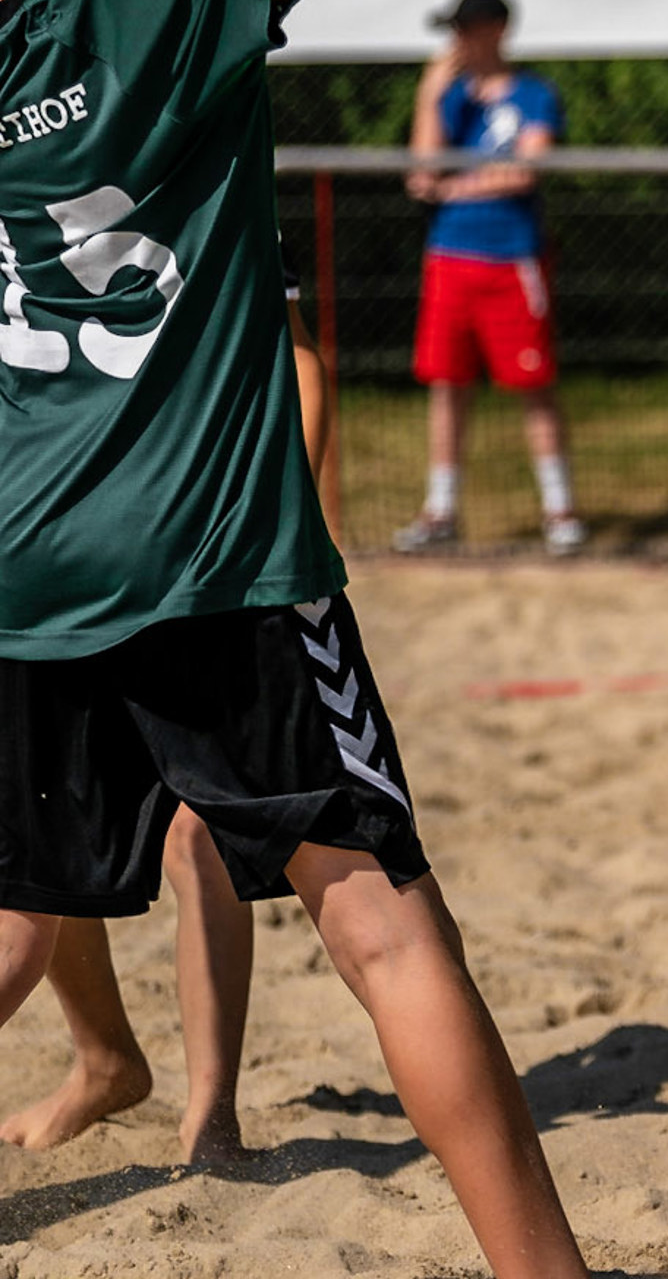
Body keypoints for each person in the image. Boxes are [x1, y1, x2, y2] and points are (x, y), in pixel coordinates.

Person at [0, 0, 588, 1277]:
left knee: (21, 911)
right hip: (200, 548)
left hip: (28, 553)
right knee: (382, 923)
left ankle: (155, 1087)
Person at [0, 242, 319, 1164]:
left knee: (199, 836)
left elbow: (296, 356)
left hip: (198, 557)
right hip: (55, 560)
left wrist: (285, 531)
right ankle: (107, 1061)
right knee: (48, 837)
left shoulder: (196, 180)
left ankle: (210, 1117)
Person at [394, 0, 581, 557]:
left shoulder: (533, 93)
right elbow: (422, 173)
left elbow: (525, 169)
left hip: (511, 256)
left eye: (465, 29)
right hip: (450, 256)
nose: (456, 42)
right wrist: (430, 93)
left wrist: (455, 187)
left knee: (533, 383)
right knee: (447, 384)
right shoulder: (452, 97)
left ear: (494, 30)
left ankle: (559, 509)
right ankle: (441, 509)